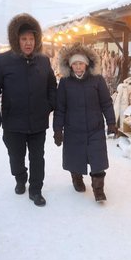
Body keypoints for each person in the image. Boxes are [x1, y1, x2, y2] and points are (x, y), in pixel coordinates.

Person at [0, 13, 57, 207]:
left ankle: (36, 190)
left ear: (37, 40)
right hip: (13, 122)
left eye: (31, 39)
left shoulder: (43, 61)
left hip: (37, 122)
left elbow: (52, 85)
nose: (28, 43)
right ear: (16, 40)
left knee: (37, 158)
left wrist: (49, 105)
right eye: (24, 39)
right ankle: (20, 177)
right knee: (16, 157)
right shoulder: (2, 61)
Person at [53, 42, 116, 202]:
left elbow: (106, 103)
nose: (78, 67)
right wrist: (57, 130)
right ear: (70, 66)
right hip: (73, 129)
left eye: (81, 63)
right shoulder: (65, 83)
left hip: (95, 128)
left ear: (87, 64)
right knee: (75, 158)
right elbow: (60, 108)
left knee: (98, 159)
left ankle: (98, 190)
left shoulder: (97, 80)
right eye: (75, 64)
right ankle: (77, 178)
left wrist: (111, 122)